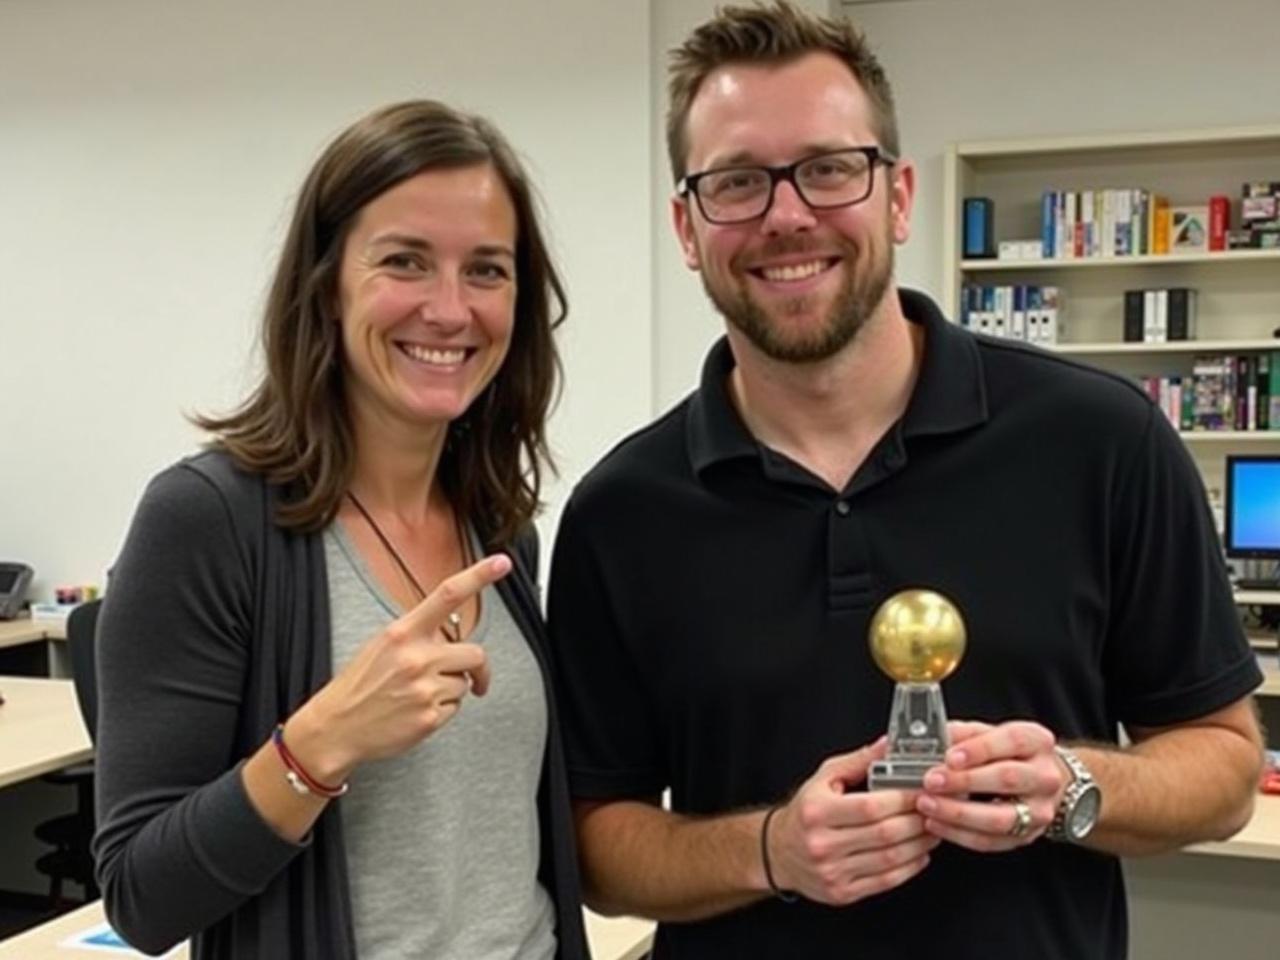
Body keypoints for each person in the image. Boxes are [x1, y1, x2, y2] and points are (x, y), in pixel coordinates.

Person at [545, 4, 1266, 959]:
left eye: (830, 168)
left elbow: (1223, 769)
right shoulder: (620, 514)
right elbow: (595, 844)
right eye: (737, 182)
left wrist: (1069, 789)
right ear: (687, 226)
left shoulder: (1102, 442)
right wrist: (770, 851)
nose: (786, 214)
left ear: (898, 194)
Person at [94, 100, 588, 960]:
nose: (449, 309)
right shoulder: (208, 520)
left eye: (486, 270)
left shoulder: (499, 529)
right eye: (404, 261)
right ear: (326, 285)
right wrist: (325, 741)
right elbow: (142, 897)